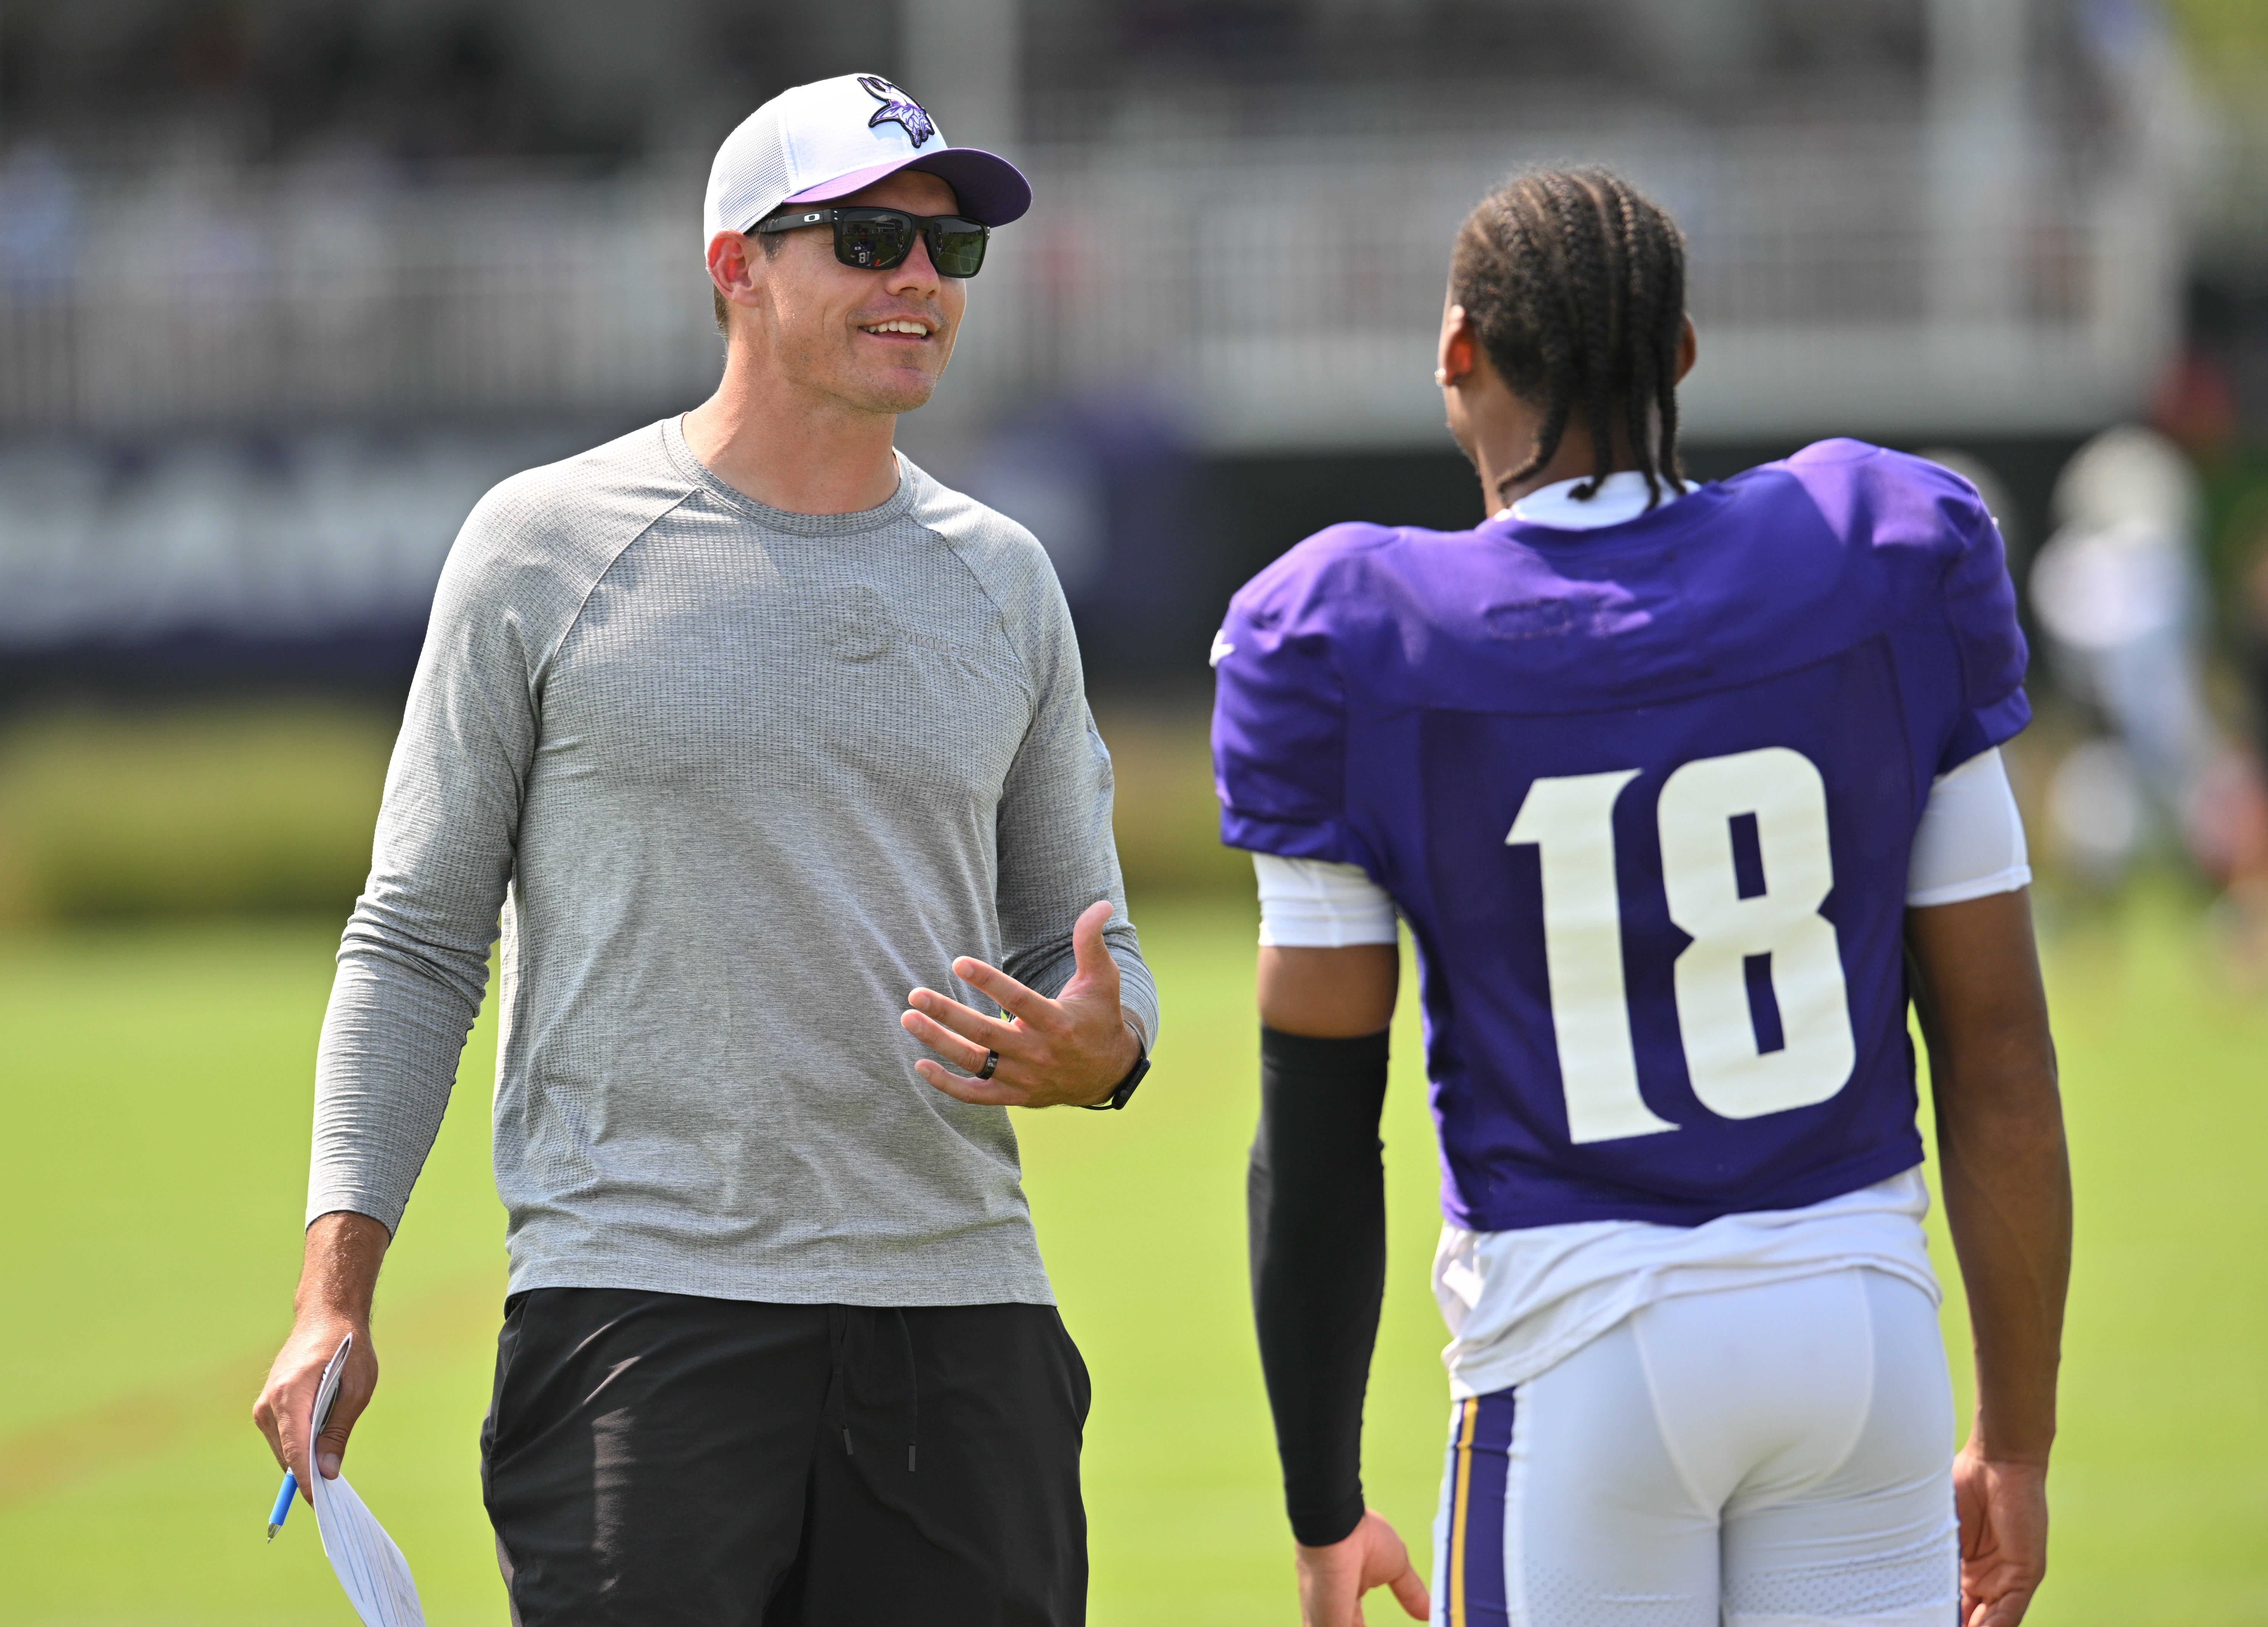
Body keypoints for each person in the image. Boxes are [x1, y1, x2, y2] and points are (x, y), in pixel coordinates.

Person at [252, 72, 1157, 1627]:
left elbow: (1091, 951)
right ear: (736, 265)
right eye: (869, 240)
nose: (918, 285)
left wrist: (1105, 1047)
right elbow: (413, 937)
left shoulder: (1007, 581)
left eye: (951, 254)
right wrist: (334, 1293)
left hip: (965, 1321)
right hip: (642, 1318)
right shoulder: (540, 546)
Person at [1211, 167, 2068, 1627]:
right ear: (1680, 353)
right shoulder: (1883, 553)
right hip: (1857, 1316)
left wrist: (1321, 1502)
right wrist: (2022, 1440)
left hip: (1580, 1329)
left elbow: (1316, 1123)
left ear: (1456, 351)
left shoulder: (1349, 634)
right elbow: (1996, 1051)